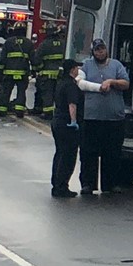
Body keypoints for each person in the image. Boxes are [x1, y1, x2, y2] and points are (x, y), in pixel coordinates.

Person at [77, 38, 130, 195]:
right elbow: (79, 82)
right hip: (91, 117)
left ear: (106, 49)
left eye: (102, 49)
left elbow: (126, 84)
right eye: (97, 50)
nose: (100, 52)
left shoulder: (116, 65)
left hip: (114, 118)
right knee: (88, 152)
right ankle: (88, 184)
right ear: (93, 52)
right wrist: (98, 87)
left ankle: (111, 184)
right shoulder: (86, 65)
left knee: (112, 153)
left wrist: (112, 82)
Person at [51, 59, 85, 198]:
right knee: (68, 156)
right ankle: (62, 186)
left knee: (59, 154)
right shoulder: (71, 86)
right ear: (72, 70)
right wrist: (74, 121)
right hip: (67, 125)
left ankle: (56, 185)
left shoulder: (61, 83)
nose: (78, 70)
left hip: (57, 122)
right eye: (77, 68)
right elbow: (72, 104)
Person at [0, 25, 34, 118]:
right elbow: (33, 58)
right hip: (22, 73)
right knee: (21, 92)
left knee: (6, 92)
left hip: (8, 73)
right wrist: (35, 70)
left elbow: (3, 58)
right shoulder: (28, 43)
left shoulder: (8, 42)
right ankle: (19, 111)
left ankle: (2, 111)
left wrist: (0, 70)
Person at [33, 24, 67, 119]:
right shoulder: (63, 43)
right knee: (59, 94)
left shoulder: (44, 44)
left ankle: (47, 113)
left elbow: (37, 60)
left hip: (46, 75)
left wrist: (37, 69)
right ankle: (59, 113)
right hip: (60, 74)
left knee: (48, 94)